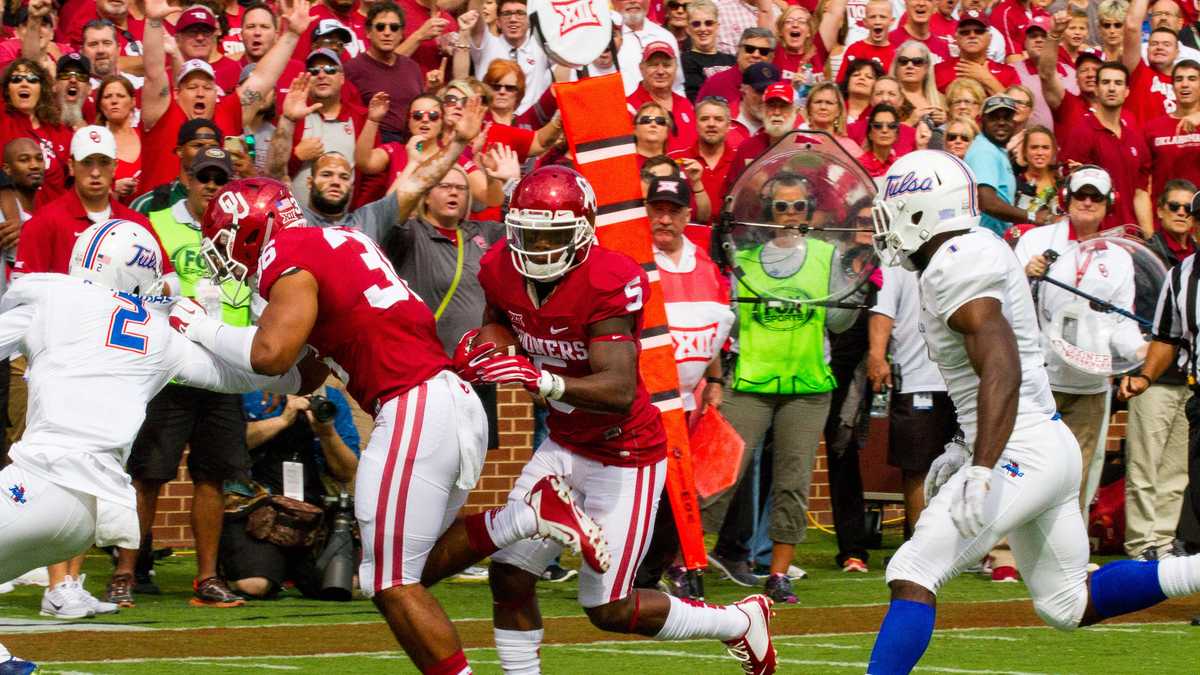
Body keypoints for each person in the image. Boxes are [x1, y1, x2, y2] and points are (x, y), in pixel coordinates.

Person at [167, 100, 586, 674]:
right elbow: (302, 373)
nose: (228, 254)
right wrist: (204, 354)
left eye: (226, 237)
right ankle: (518, 518)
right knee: (412, 570)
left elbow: (270, 355)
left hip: (413, 405)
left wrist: (197, 325)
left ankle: (524, 516)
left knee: (388, 582)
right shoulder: (341, 242)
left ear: (251, 225)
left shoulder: (288, 254)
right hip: (451, 402)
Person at [400, 164, 779, 674]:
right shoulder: (499, 266)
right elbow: (499, 321)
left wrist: (541, 381)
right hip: (564, 442)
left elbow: (619, 390)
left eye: (549, 235)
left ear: (582, 232)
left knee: (609, 608)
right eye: (527, 233)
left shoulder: (608, 278)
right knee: (510, 576)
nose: (535, 247)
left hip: (625, 454)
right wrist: (489, 348)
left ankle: (739, 621)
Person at [868, 148, 1200, 674]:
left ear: (919, 211)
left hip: (1020, 449)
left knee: (913, 568)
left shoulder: (954, 265)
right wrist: (962, 445)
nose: (881, 223)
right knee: (1066, 602)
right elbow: (990, 366)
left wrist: (982, 464)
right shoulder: (971, 249)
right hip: (1046, 442)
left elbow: (1002, 365)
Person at [0, 216, 308, 671]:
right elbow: (255, 372)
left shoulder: (54, 298)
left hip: (39, 485)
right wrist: (289, 354)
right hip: (86, 516)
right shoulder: (160, 334)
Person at [105, 148, 255, 608]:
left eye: (219, 178)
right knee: (147, 474)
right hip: (171, 363)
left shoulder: (240, 230)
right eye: (203, 176)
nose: (211, 185)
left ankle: (207, 577)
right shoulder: (159, 224)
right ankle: (126, 571)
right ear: (184, 179)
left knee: (211, 477)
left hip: (224, 366)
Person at [704, 171, 862, 602]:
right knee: (722, 474)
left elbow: (839, 322)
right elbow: (730, 320)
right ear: (769, 212)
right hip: (753, 378)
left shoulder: (827, 257)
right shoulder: (747, 259)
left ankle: (776, 574)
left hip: (808, 384)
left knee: (793, 481)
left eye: (798, 207)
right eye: (781, 207)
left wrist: (851, 293)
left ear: (809, 213)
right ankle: (689, 562)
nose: (790, 215)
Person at [1014, 165, 1140, 511]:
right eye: (1081, 194)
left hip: (1090, 383)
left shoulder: (1118, 257)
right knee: (1025, 467)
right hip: (1038, 378)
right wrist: (1025, 276)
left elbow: (1121, 321)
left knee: (1079, 477)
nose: (1087, 202)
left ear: (1108, 203)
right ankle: (1006, 557)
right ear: (1066, 198)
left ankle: (1067, 560)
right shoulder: (1034, 242)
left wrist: (1140, 352)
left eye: (1095, 197)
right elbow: (1007, 305)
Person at [632, 174, 734, 595]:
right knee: (643, 488)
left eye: (673, 211)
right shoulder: (635, 263)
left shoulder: (707, 269)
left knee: (682, 490)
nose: (664, 218)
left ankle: (667, 567)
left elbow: (714, 333)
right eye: (657, 209)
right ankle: (634, 568)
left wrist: (713, 380)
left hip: (688, 401)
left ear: (688, 216)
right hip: (640, 399)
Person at [221, 388, 360, 599]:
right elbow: (227, 445)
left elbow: (346, 472)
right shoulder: (248, 390)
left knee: (342, 584)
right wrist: (283, 420)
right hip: (259, 512)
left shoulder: (331, 398)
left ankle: (287, 569)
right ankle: (263, 568)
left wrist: (327, 433)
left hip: (311, 515)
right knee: (253, 585)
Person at [1122, 180, 1197, 562]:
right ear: (1161, 209)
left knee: (1177, 472)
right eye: (1175, 206)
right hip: (1160, 377)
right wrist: (1140, 371)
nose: (1183, 214)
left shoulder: (1187, 268)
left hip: (1187, 382)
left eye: (1189, 208)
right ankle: (1141, 546)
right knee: (1145, 465)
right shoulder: (1151, 261)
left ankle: (1164, 544)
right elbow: (1160, 331)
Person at [1057, 61, 1152, 235]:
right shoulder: (1082, 132)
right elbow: (1072, 194)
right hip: (1096, 237)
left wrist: (1149, 237)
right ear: (1097, 89)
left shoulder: (1134, 137)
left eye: (1118, 83)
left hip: (1131, 237)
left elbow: (1141, 192)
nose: (1112, 88)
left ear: (1127, 92)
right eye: (1106, 82)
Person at [965, 95, 1051, 236]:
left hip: (993, 237)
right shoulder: (984, 151)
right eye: (994, 117)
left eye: (1007, 118)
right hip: (983, 239)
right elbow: (987, 202)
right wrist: (1032, 216)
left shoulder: (996, 150)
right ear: (982, 121)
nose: (1001, 123)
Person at [342, 2, 423, 143]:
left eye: (394, 27)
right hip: (376, 144)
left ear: (401, 33)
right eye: (380, 27)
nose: (387, 32)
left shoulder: (412, 67)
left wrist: (433, 89)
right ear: (368, 32)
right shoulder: (352, 69)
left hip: (415, 143)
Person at [0, 59, 73, 205]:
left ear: (42, 88)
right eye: (16, 79)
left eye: (32, 79)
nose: (24, 83)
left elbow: (72, 178)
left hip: (55, 218)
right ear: (7, 90)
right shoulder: (3, 121)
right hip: (16, 218)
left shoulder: (59, 130)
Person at [467, 0, 551, 114]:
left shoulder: (541, 47)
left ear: (529, 20)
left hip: (530, 124)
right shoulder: (487, 45)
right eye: (507, 14)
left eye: (520, 13)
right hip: (490, 122)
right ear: (498, 22)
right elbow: (474, 12)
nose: (513, 19)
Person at [1142, 60, 1200, 216]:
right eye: (1179, 79)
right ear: (1172, 86)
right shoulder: (1152, 128)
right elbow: (1142, 186)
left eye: (1192, 79)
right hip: (1165, 219)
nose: (1185, 84)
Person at [669, 96, 736, 229]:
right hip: (689, 236)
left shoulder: (740, 161)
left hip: (731, 237)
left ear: (729, 125)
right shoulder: (675, 160)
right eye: (704, 119)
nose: (711, 124)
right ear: (695, 124)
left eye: (718, 119)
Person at [131, 118, 223, 214]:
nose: (206, 152)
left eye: (213, 147)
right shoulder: (149, 204)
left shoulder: (232, 201)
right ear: (180, 151)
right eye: (198, 145)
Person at [627, 41, 697, 154]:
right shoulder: (629, 108)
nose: (660, 71)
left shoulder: (686, 104)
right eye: (653, 65)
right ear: (641, 68)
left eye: (667, 65)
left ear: (676, 68)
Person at [696, 28, 777, 119]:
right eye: (749, 49)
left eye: (763, 51)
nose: (756, 55)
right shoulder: (716, 83)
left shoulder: (777, 87)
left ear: (772, 56)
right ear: (738, 50)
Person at [934, 10, 1019, 94]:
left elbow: (1016, 107)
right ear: (956, 38)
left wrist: (987, 79)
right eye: (965, 32)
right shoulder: (939, 71)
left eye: (979, 31)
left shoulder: (1009, 73)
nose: (972, 35)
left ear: (990, 38)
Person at [95, 76, 140, 203]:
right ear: (100, 105)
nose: (114, 101)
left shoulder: (145, 137)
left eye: (120, 96)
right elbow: (81, 185)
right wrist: (111, 187)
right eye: (107, 97)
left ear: (133, 102)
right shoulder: (94, 142)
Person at [681, 0, 735, 100]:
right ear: (688, 29)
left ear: (717, 27)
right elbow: (697, 98)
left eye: (708, 23)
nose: (703, 29)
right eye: (696, 24)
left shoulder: (732, 60)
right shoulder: (685, 60)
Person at [836, 0, 898, 82]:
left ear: (892, 21)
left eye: (883, 17)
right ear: (865, 22)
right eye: (872, 17)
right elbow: (841, 83)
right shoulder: (854, 49)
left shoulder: (896, 54)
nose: (877, 22)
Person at [891, 40, 945, 126]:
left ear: (926, 67)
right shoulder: (886, 97)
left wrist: (945, 123)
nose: (909, 66)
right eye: (903, 61)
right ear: (896, 66)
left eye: (917, 62)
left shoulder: (941, 100)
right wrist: (910, 122)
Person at [1013, 125, 1059, 221]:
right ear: (1025, 151)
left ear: (1054, 151)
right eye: (1034, 147)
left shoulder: (1062, 181)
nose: (1040, 152)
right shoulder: (1015, 183)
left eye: (1045, 148)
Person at [858, 102, 902, 177]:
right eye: (878, 126)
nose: (884, 130)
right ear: (870, 134)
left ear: (896, 135)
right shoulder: (858, 167)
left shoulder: (901, 166)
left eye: (891, 126)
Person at [841, 58, 885, 124]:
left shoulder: (880, 115)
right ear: (847, 82)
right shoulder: (835, 109)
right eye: (856, 75)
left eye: (869, 77)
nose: (862, 78)